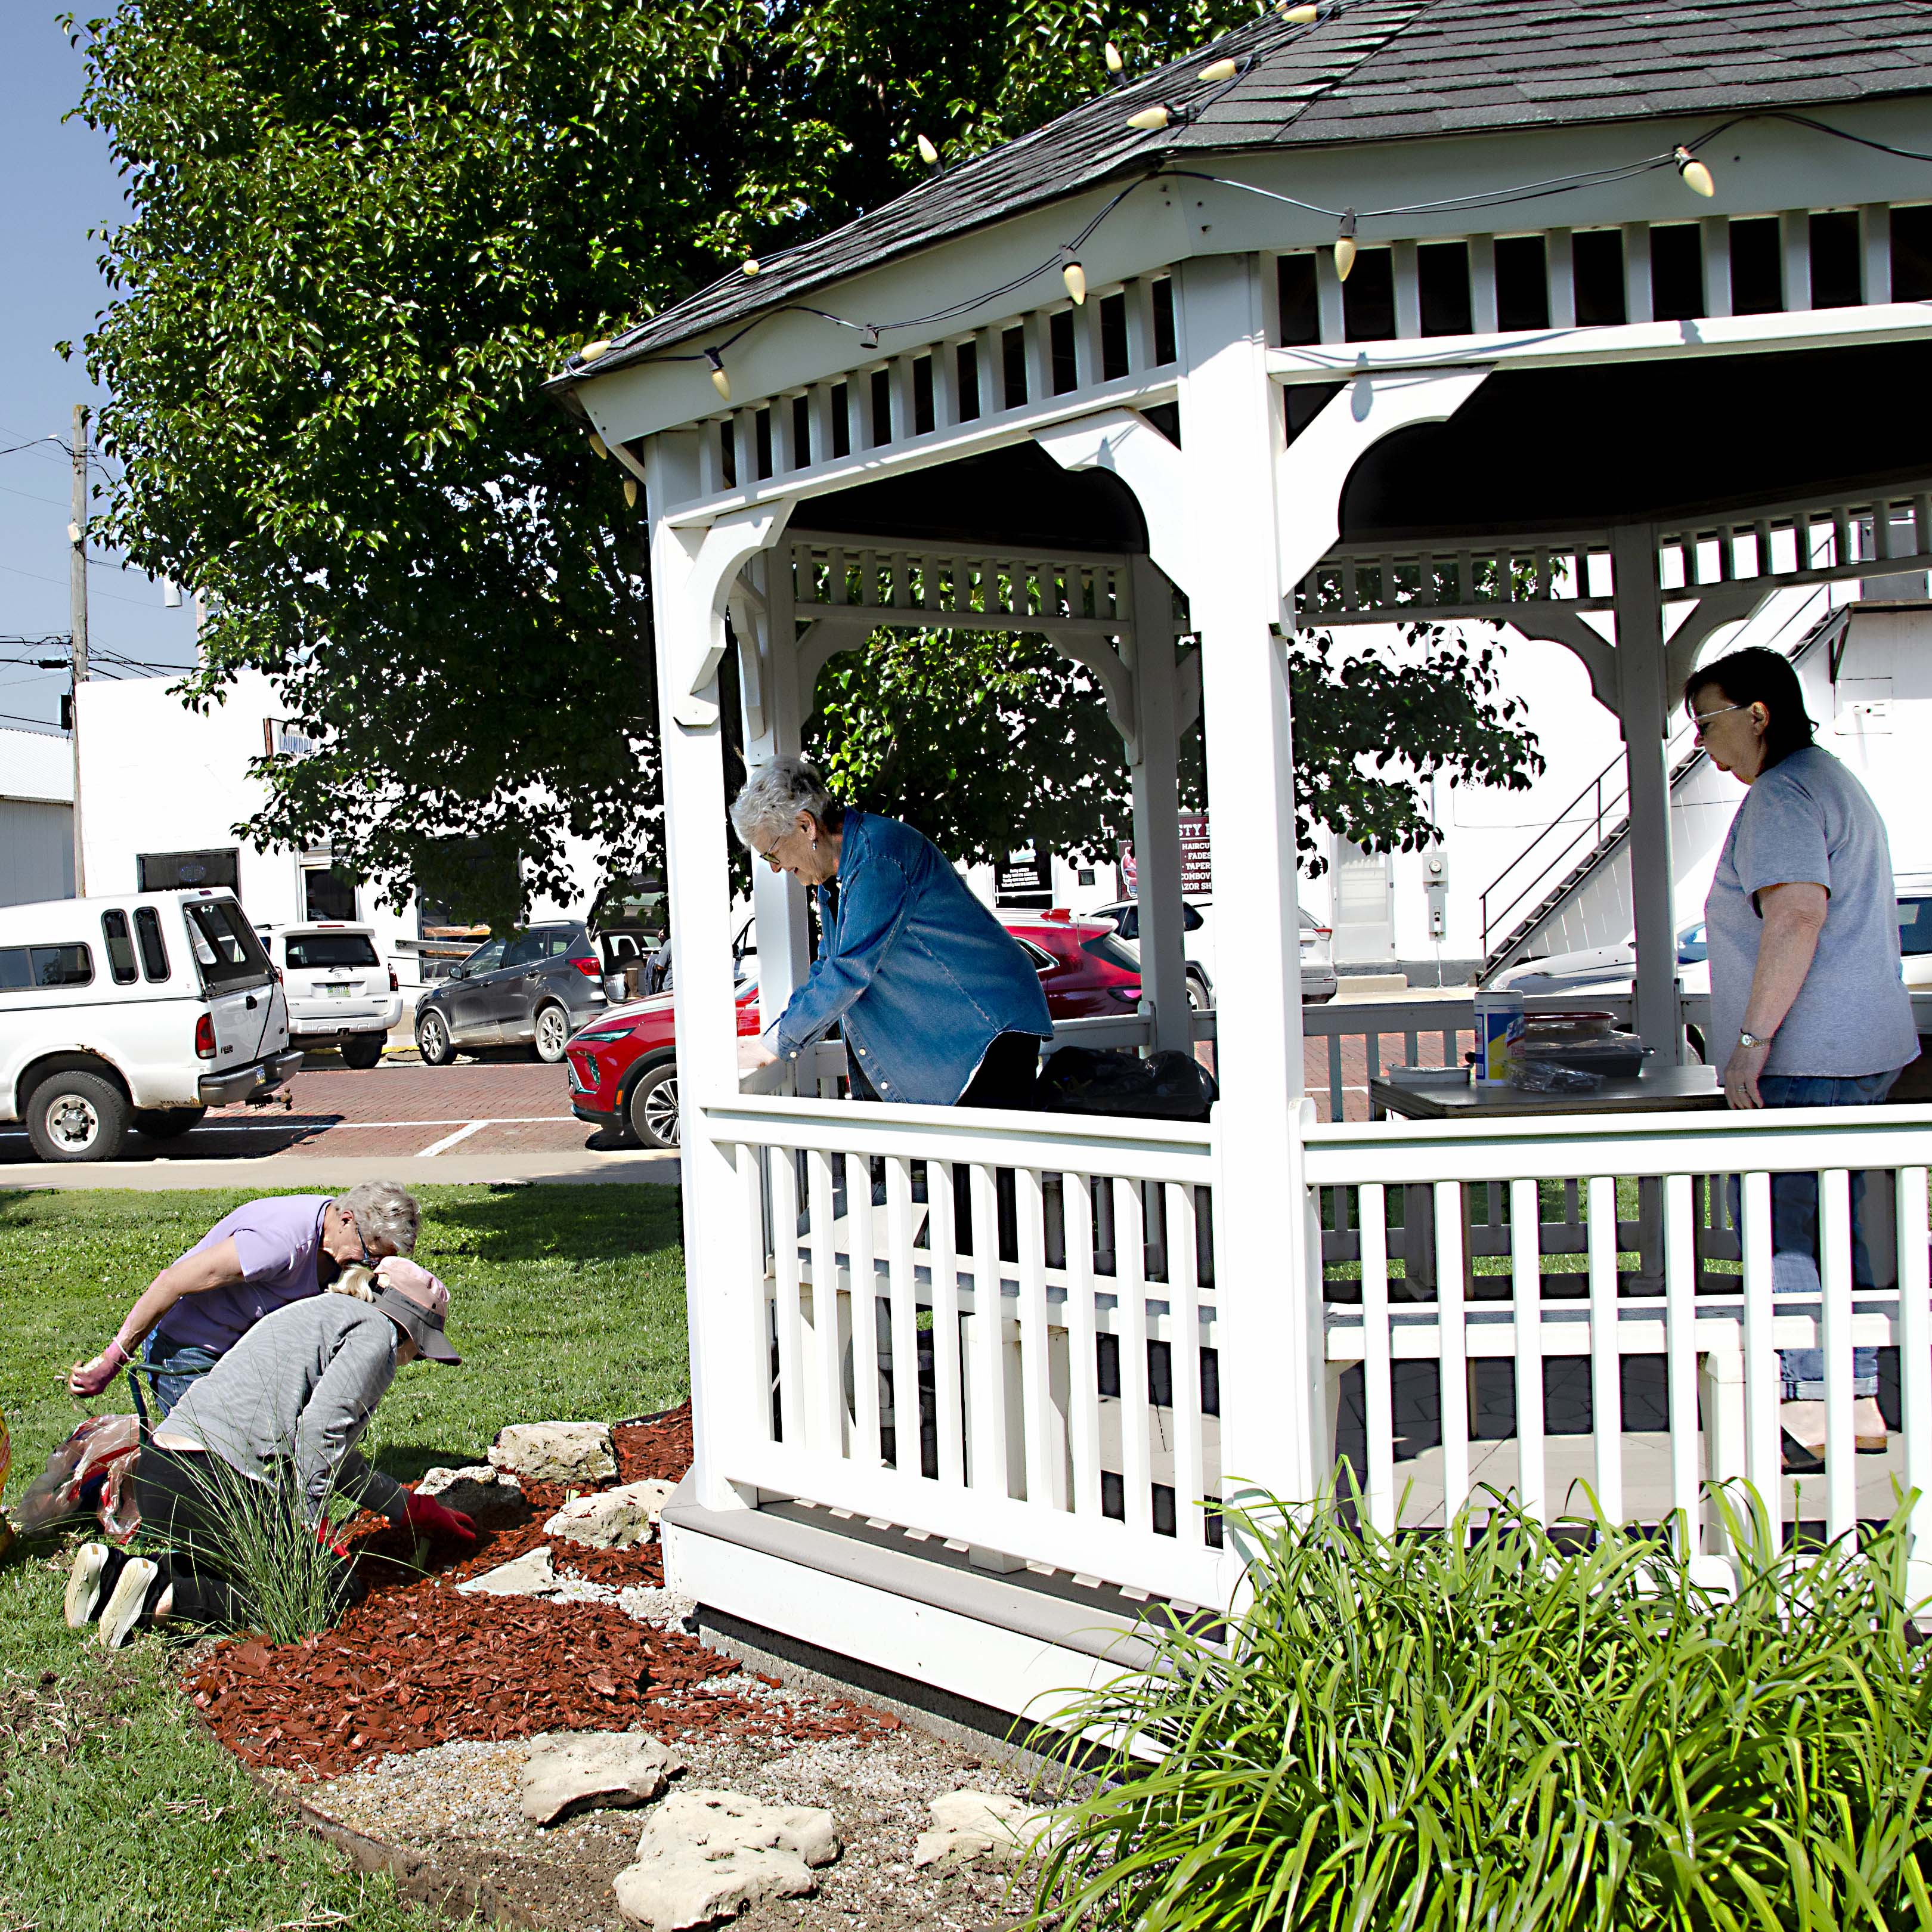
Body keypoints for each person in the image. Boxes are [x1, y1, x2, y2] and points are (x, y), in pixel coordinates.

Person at [1688, 646, 1918, 1470]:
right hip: (1861, 1046)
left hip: (1809, 1051)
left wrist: (1750, 1045)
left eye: (1708, 721)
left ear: (1759, 714)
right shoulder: (1830, 780)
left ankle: (1814, 1406)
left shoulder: (1784, 796)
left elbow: (1795, 918)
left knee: (1790, 1226)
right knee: (1833, 1226)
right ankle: (1851, 1397)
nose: (1702, 743)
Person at [64, 1256, 475, 1649]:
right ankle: (162, 1597)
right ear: (409, 1329)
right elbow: (319, 1434)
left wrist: (410, 1507)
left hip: (163, 1471)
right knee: (327, 1592)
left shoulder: (319, 1312)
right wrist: (311, 1525)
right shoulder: (376, 1336)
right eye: (420, 1351)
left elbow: (339, 1462)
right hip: (216, 1481)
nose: (412, 1360)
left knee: (246, 1567)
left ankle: (111, 1572)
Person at [731, 757, 1052, 1109]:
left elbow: (847, 973)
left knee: (983, 1161)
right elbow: (827, 968)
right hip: (971, 1028)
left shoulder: (877, 859)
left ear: (806, 825)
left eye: (771, 853)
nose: (775, 868)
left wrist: (773, 1048)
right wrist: (774, 1038)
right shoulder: (833, 876)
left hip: (987, 1024)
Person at [66, 1182, 422, 1416]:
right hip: (189, 1353)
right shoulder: (278, 1245)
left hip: (244, 1352)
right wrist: (112, 1361)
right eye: (370, 1253)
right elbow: (171, 1282)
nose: (368, 1265)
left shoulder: (335, 1237)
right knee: (223, 1460)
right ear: (346, 1219)